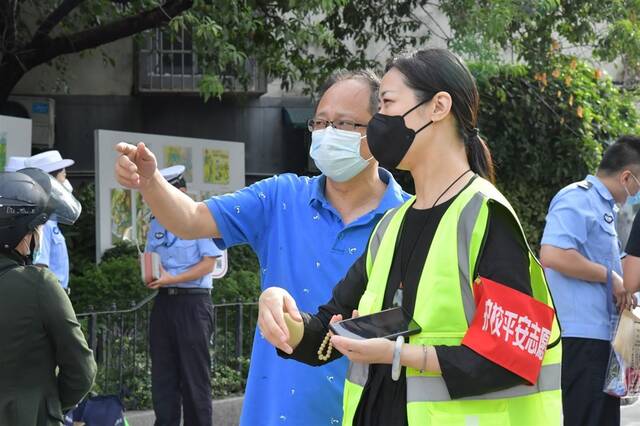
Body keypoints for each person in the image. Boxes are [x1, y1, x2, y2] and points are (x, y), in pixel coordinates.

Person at [258, 48, 562, 426]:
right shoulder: (392, 225)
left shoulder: (486, 216)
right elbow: (329, 333)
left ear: (438, 106)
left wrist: (401, 355)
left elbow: (515, 354)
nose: (378, 122)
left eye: (386, 103)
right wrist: (280, 313)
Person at [114, 70, 409, 425]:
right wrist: (150, 181)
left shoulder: (410, 220)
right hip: (273, 415)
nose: (329, 133)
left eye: (344, 124)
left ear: (378, 129)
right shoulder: (281, 197)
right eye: (320, 122)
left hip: (367, 413)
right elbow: (190, 219)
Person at [540, 135, 640, 426]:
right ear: (626, 176)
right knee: (587, 418)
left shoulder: (604, 208)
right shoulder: (577, 197)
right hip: (582, 338)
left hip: (603, 339)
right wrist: (610, 277)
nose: (635, 192)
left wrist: (621, 283)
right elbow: (553, 254)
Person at [0, 168, 96, 425]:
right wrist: (47, 404)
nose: (40, 234)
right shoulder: (38, 284)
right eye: (38, 226)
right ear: (20, 233)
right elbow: (82, 371)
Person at [145, 165, 222, 426]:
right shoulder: (155, 221)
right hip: (164, 302)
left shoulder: (197, 217)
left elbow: (208, 264)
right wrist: (151, 274)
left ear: (181, 191)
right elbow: (150, 257)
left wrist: (172, 278)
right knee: (163, 377)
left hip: (193, 303)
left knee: (194, 379)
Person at [24, 150, 76, 292]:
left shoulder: (50, 219)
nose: (66, 180)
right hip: (51, 293)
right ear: (52, 179)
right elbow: (40, 267)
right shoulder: (44, 221)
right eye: (63, 175)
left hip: (56, 292)